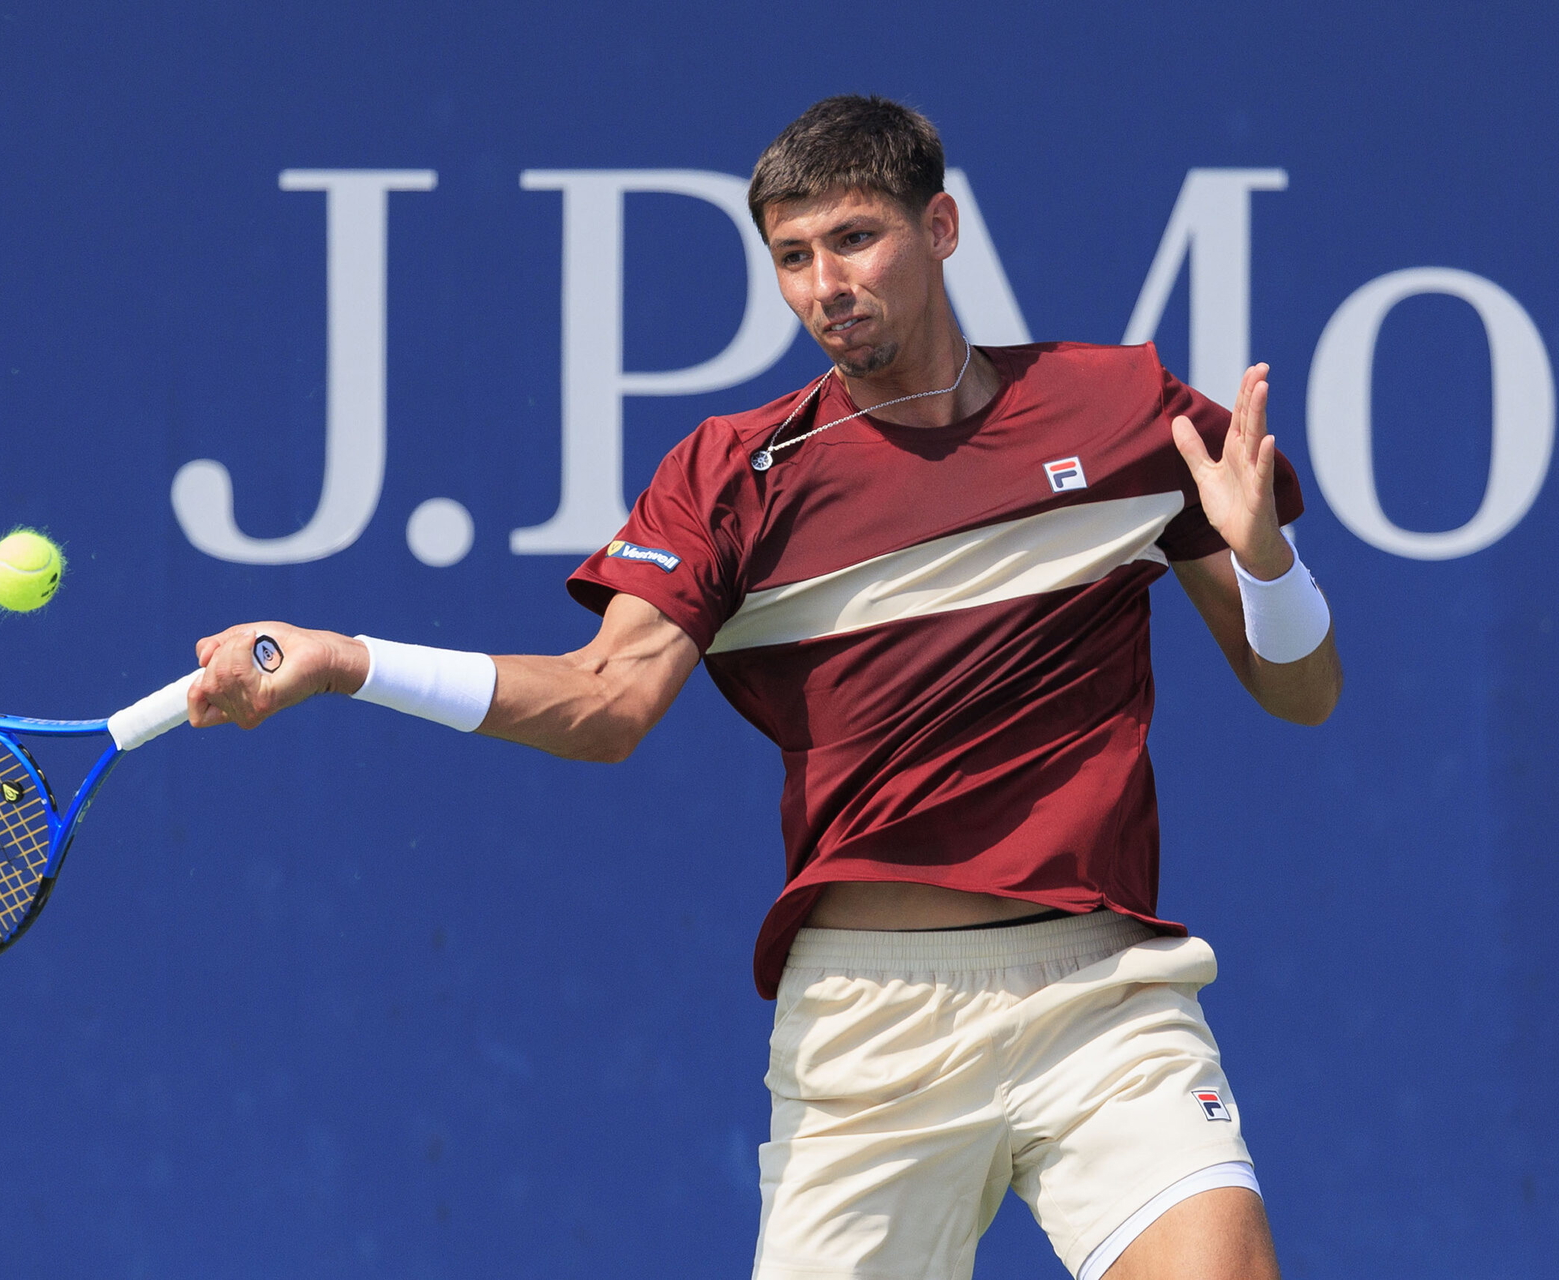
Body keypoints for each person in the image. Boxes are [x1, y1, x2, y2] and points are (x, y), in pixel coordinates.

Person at [186, 95, 1341, 1280]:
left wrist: (1267, 561)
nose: (824, 283)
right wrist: (344, 659)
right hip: (870, 1024)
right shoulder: (734, 474)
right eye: (792, 256)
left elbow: (1301, 691)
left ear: (939, 227)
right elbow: (605, 700)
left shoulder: (1123, 411)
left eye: (854, 239)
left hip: (1105, 994)